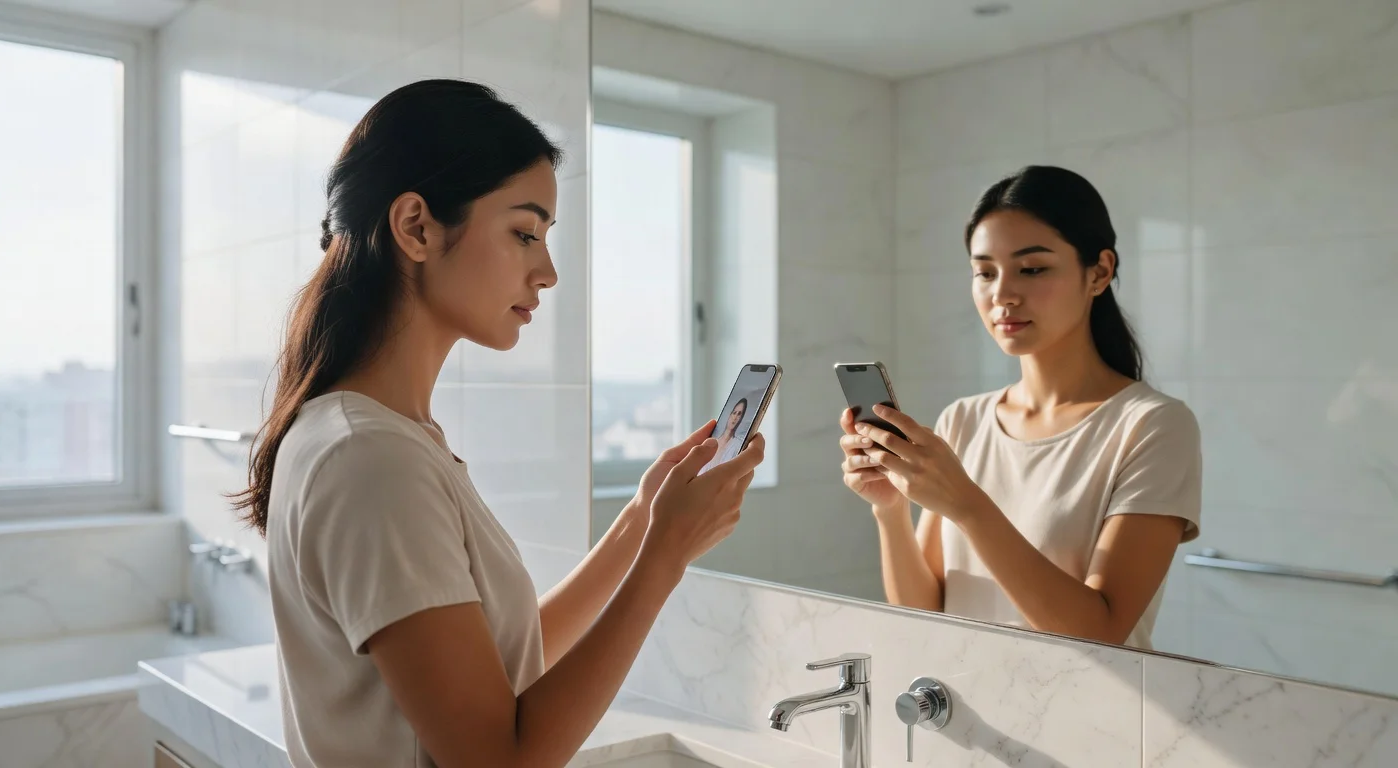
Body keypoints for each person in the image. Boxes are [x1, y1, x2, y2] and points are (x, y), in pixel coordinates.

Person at [232, 80, 764, 768]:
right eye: (523, 233)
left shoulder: (380, 437)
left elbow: (497, 666)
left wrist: (641, 524)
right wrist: (661, 560)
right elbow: (499, 759)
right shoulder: (370, 459)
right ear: (416, 227)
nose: (546, 271)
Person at [838, 166, 1201, 649]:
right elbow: (924, 615)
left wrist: (967, 504)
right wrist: (890, 511)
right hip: (967, 708)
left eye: (1032, 269)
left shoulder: (1152, 426)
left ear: (1099, 272)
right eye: (984, 272)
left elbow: (1102, 631)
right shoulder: (963, 419)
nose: (1002, 295)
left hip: (1092, 718)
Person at [710, 397, 748, 466]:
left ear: (741, 419)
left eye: (739, 414)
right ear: (730, 415)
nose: (735, 417)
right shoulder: (712, 441)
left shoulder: (737, 445)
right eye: (734, 413)